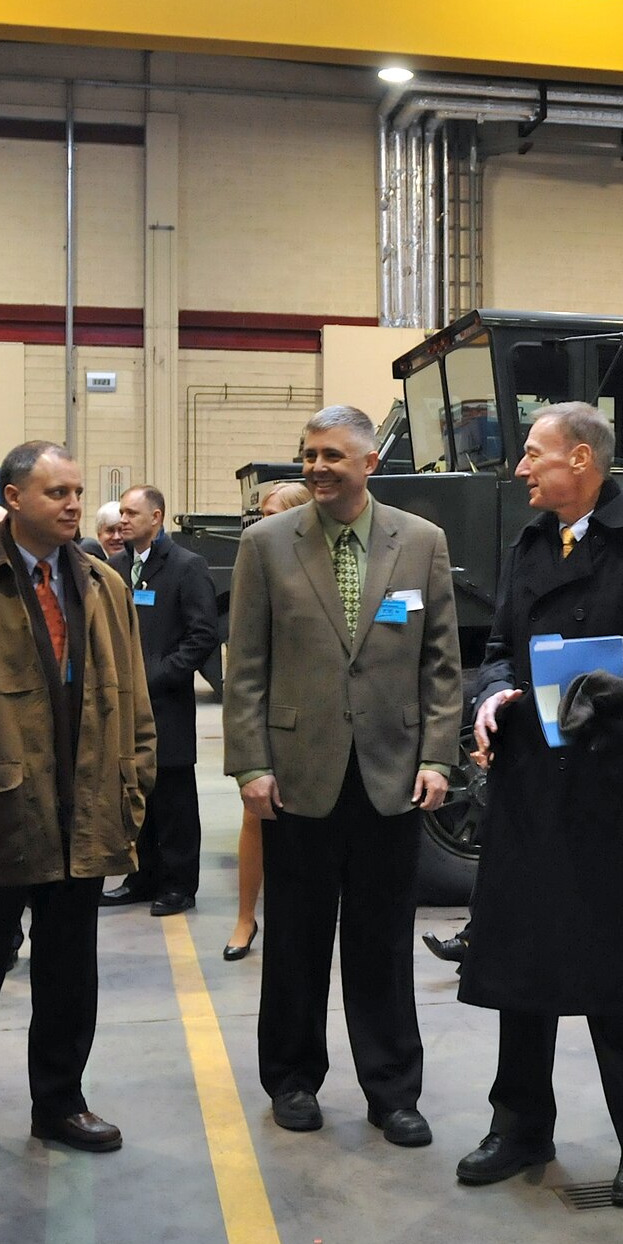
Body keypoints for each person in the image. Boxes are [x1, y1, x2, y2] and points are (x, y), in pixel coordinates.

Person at [456, 402, 623, 1208]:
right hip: (532, 795)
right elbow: (499, 649)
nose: (522, 469)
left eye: (533, 455)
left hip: (616, 796)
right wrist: (494, 695)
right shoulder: (529, 544)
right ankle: (519, 1124)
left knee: (621, 979)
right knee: (521, 968)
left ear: (581, 460)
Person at [0, 441, 158, 1162]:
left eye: (77, 492)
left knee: (69, 978)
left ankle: (60, 1105)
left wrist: (130, 793)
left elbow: (134, 705)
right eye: (57, 493)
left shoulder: (104, 585)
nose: (74, 505)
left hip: (83, 817)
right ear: (13, 498)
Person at [223, 406, 462, 1146]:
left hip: (390, 775)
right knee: (295, 938)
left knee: (382, 941)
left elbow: (442, 665)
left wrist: (436, 756)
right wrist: (252, 765)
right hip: (299, 777)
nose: (317, 467)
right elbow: (247, 667)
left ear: (369, 464)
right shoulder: (266, 545)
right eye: (309, 454)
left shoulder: (421, 543)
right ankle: (293, 1080)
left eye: (332, 455)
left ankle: (392, 1091)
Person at [101, 485, 219, 915]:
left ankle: (178, 884)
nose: (123, 521)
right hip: (124, 705)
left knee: (173, 799)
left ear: (157, 517)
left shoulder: (187, 567)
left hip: (165, 703)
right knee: (137, 794)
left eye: (132, 513)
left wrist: (154, 675)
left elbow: (203, 635)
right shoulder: (115, 567)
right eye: (120, 514)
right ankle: (141, 876)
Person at [222, 479, 312, 962]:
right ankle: (245, 918)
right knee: (256, 820)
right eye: (260, 515)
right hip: (272, 712)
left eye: (273, 514)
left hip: (317, 715)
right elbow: (244, 659)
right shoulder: (257, 560)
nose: (263, 524)